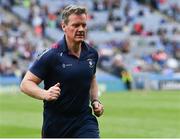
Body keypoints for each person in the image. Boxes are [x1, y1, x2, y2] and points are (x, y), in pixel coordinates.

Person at [20, 5, 104, 138]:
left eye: (84, 25)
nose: (81, 29)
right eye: (75, 25)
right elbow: (25, 84)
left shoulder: (92, 54)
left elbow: (92, 78)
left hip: (84, 121)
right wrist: (45, 94)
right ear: (64, 26)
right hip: (56, 126)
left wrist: (95, 101)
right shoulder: (51, 55)